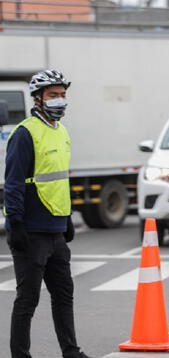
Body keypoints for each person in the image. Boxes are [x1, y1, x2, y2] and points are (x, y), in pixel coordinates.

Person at [5, 70, 91, 358]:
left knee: (64, 296)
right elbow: (14, 182)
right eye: (53, 95)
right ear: (38, 98)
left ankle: (71, 351)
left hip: (56, 231)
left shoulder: (62, 132)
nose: (60, 100)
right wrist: (14, 222)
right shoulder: (24, 133)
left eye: (63, 95)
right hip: (31, 231)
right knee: (27, 300)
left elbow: (58, 181)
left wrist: (66, 219)